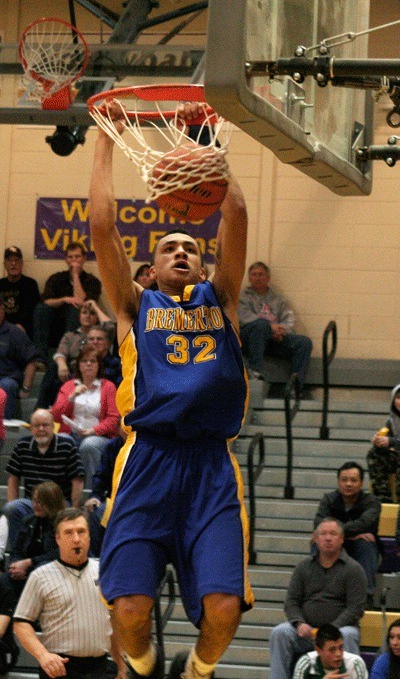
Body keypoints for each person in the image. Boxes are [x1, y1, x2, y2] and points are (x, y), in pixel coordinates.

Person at [89, 100, 253, 679]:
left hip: (210, 463)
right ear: (151, 269)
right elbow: (101, 226)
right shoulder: (135, 309)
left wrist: (205, 139)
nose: (182, 250)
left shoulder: (222, 300)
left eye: (190, 246)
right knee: (130, 610)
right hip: (148, 460)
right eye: (168, 247)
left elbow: (234, 213)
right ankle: (140, 666)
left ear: (203, 265)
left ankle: (197, 673)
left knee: (225, 609)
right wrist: (107, 135)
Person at [13, 507, 126, 679]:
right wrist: (43, 656)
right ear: (57, 538)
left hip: (100, 667)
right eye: (68, 533)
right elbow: (21, 623)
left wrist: (122, 667)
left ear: (89, 536)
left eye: (81, 532)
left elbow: (113, 624)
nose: (76, 539)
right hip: (59, 668)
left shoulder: (105, 572)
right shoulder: (40, 576)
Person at [269, 518, 367, 679]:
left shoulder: (354, 569)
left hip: (339, 632)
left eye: (333, 534)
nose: (328, 538)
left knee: (348, 634)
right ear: (315, 538)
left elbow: (355, 608)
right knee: (280, 633)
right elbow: (291, 602)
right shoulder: (303, 567)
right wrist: (299, 623)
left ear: (341, 539)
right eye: (323, 534)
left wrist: (329, 630)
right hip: (307, 633)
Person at [4, 408, 85, 552]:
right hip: (32, 502)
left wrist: (75, 510)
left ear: (53, 426)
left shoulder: (66, 445)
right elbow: (13, 477)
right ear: (31, 428)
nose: (41, 429)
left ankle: (55, 554)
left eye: (45, 425)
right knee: (12, 508)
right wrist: (13, 501)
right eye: (36, 425)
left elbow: (77, 480)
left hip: (60, 502)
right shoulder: (22, 445)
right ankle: (19, 553)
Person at [238, 262, 313, 391]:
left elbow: (289, 319)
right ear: (249, 278)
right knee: (260, 325)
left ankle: (295, 388)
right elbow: (243, 318)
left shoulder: (278, 299)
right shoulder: (243, 297)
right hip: (250, 340)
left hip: (272, 340)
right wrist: (270, 327)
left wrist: (281, 330)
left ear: (268, 278)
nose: (257, 277)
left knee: (304, 342)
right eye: (254, 275)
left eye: (261, 274)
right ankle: (255, 372)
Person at [51, 346, 119, 489]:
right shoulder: (69, 386)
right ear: (79, 365)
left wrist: (93, 430)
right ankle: (59, 491)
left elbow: (113, 419)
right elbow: (56, 416)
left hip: (99, 436)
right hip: (72, 433)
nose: (88, 364)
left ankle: (88, 492)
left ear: (99, 365)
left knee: (89, 445)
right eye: (84, 361)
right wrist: (71, 397)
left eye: (93, 361)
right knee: (61, 441)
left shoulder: (108, 387)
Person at [314, 460, 381, 604]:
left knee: (365, 543)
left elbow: (365, 523)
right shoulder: (329, 499)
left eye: (353, 480)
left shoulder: (372, 501)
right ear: (338, 482)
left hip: (361, 549)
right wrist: (348, 536)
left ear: (361, 483)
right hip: (337, 547)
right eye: (344, 480)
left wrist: (334, 532)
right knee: (318, 542)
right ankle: (316, 593)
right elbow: (319, 524)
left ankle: (365, 596)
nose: (348, 484)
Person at [33, 242, 102, 367]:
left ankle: (69, 357)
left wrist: (75, 275)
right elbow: (45, 301)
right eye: (70, 257)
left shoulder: (92, 281)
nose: (74, 260)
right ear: (65, 259)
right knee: (41, 309)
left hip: (77, 325)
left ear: (84, 259)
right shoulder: (56, 278)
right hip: (55, 324)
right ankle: (40, 359)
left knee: (75, 309)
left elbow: (84, 305)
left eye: (77, 256)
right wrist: (64, 299)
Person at [36, 300, 115, 409]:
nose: (88, 316)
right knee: (54, 368)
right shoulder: (70, 335)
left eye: (92, 313)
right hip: (71, 369)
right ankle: (41, 409)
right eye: (84, 313)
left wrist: (96, 307)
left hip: (93, 367)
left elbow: (111, 326)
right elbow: (60, 353)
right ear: (79, 316)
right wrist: (62, 365)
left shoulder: (101, 334)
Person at [2, 480, 66, 601]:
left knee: (38, 575)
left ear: (52, 503)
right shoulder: (28, 521)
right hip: (27, 570)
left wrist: (28, 563)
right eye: (34, 501)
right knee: (5, 579)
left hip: (47, 569)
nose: (36, 505)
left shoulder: (62, 524)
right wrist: (15, 565)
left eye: (41, 502)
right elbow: (16, 550)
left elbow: (58, 553)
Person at [85, 432, 126, 557]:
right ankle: (95, 561)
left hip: (138, 499)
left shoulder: (145, 446)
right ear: (118, 428)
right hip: (113, 498)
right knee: (96, 513)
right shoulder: (112, 446)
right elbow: (102, 475)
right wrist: (95, 496)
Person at [0, 294, 38, 418]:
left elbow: (31, 361)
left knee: (6, 386)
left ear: (2, 310)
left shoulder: (14, 332)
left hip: (7, 379)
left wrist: (26, 388)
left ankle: (2, 429)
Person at [292, 623, 368, 679]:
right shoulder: (306, 662)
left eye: (341, 647)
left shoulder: (355, 663)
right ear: (318, 650)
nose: (338, 654)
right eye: (332, 650)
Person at [367, 384, 400, 503]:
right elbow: (386, 440)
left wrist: (391, 442)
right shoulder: (391, 420)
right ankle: (382, 497)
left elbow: (391, 442)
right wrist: (378, 441)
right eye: (398, 398)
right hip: (396, 458)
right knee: (374, 453)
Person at [0, 246, 40, 338]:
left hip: (22, 330)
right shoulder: (1, 284)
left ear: (21, 263)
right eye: (9, 260)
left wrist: (14, 327)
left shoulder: (30, 284)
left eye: (17, 260)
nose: (13, 264)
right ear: (4, 264)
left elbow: (29, 313)